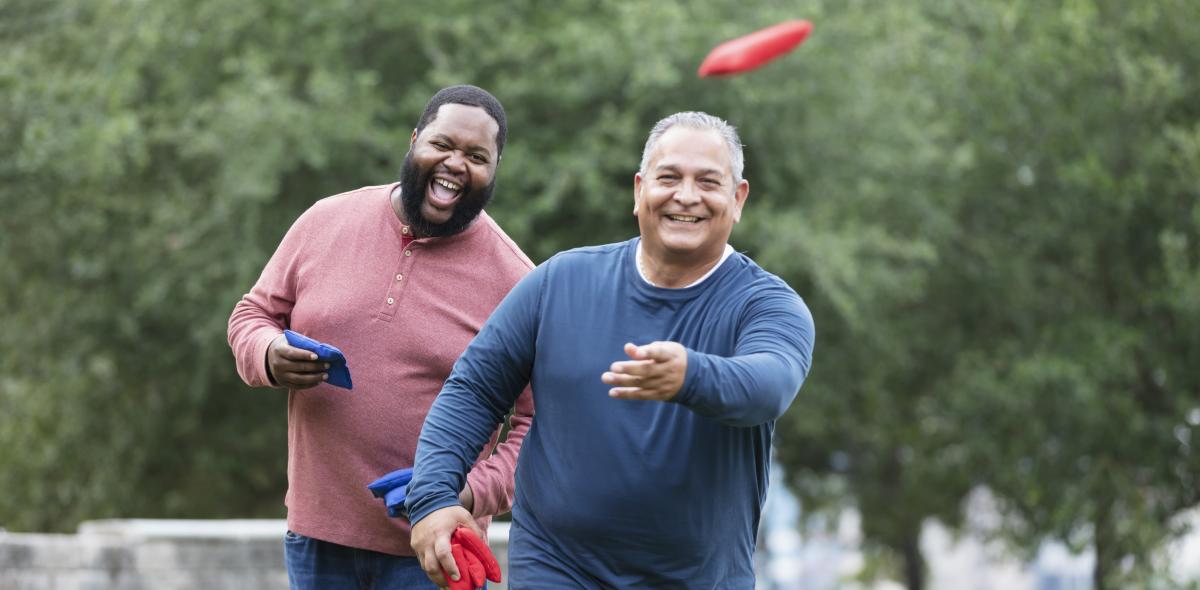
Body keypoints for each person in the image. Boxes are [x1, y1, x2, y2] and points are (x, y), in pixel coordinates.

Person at [405, 111, 815, 589]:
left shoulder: (768, 305)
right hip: (556, 569)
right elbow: (474, 391)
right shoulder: (559, 282)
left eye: (708, 182)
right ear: (640, 190)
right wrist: (432, 498)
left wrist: (691, 376)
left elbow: (770, 385)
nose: (686, 196)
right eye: (669, 178)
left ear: (738, 198)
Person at [227, 84, 534, 590]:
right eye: (442, 144)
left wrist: (467, 492)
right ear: (414, 141)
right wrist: (267, 352)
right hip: (317, 537)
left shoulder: (517, 281)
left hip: (437, 548)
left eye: (477, 156)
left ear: (495, 169)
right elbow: (252, 314)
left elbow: (538, 423)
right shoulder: (325, 220)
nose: (455, 163)